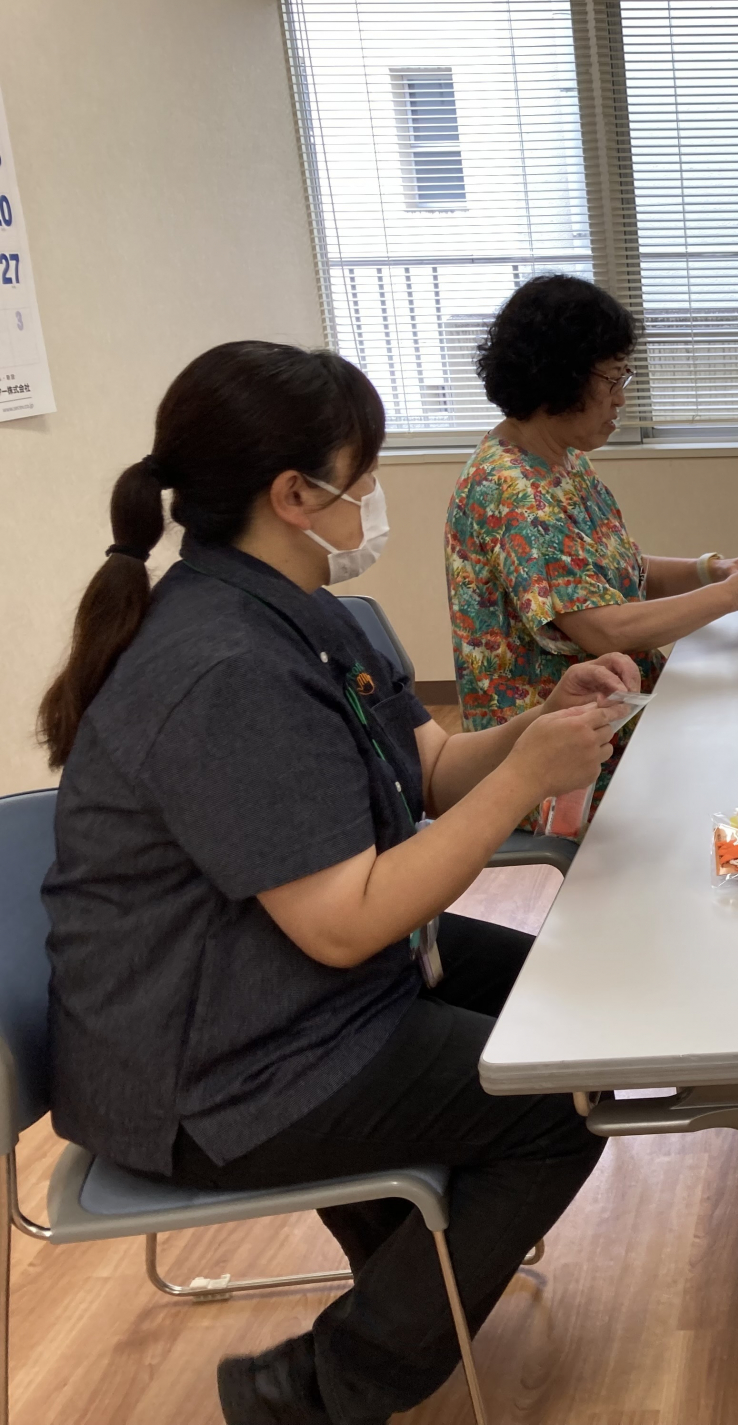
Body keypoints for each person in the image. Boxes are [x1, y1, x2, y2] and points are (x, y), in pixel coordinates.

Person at [39, 341, 633, 1425]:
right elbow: (346, 924)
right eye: (364, 478)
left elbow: (432, 768)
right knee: (560, 1098)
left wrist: (537, 726)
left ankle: (411, 1263)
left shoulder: (301, 612)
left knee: (564, 1002)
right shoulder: (223, 668)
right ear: (293, 495)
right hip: (216, 1073)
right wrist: (528, 782)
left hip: (277, 993)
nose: (373, 501)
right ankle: (317, 1390)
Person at [445, 273, 738, 795]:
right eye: (612, 379)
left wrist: (716, 570)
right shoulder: (512, 492)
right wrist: (731, 595)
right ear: (561, 375)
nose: (620, 399)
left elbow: (621, 573)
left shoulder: (562, 461)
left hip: (617, 711)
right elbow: (603, 629)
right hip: (560, 757)